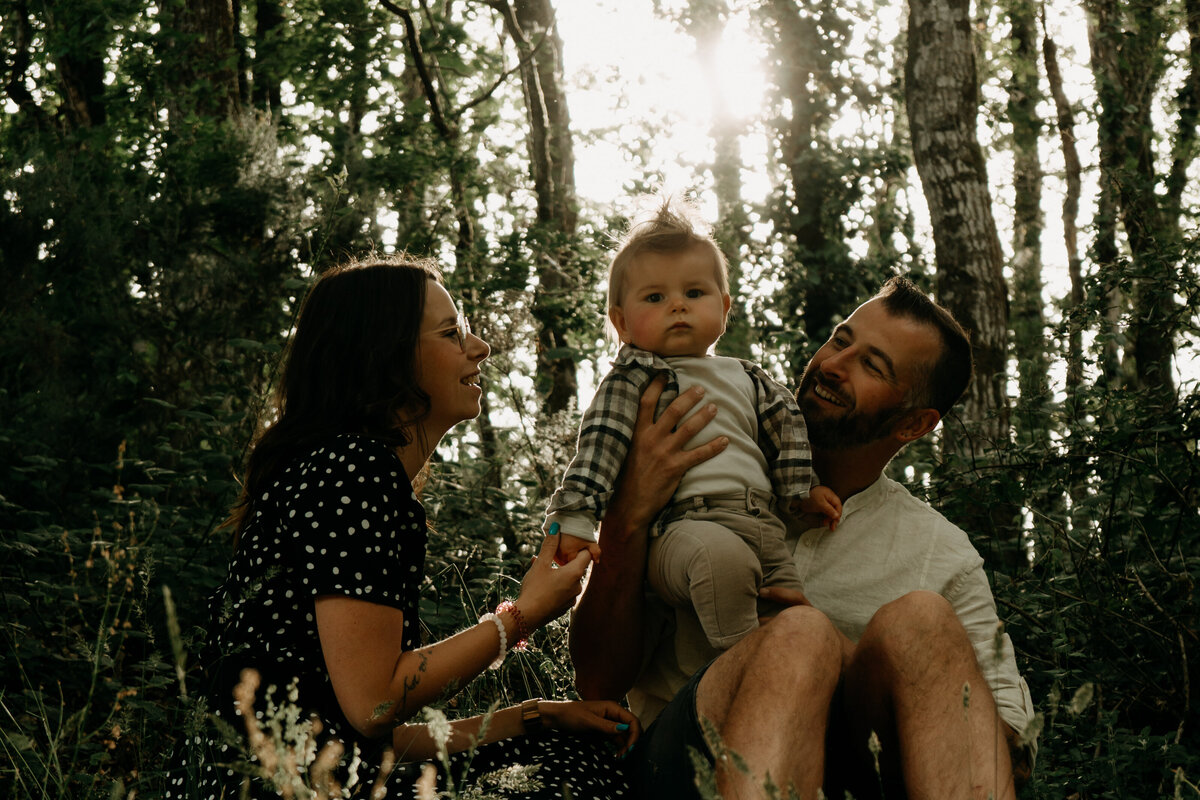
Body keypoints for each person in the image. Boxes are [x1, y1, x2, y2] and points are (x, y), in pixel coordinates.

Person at [166, 256, 639, 800]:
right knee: (583, 779)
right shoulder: (355, 471)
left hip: (290, 775)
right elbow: (374, 707)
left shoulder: (337, 469)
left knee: (568, 748)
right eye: (451, 332)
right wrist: (524, 614)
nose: (479, 347)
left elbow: (366, 738)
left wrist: (537, 717)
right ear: (386, 358)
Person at [570, 277, 1037, 799]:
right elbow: (597, 684)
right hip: (682, 763)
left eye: (872, 365)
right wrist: (627, 517)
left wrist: (857, 659)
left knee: (919, 620)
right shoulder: (689, 470)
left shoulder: (941, 552)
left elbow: (1011, 755)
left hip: (863, 777)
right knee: (802, 636)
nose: (834, 364)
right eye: (841, 339)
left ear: (914, 425)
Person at [544, 199, 840, 652]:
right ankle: (743, 662)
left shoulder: (749, 376)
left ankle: (784, 674)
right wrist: (576, 515)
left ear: (724, 309)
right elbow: (600, 445)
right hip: (683, 527)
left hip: (762, 523)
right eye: (655, 297)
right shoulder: (636, 379)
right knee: (721, 563)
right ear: (621, 322)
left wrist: (802, 490)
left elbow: (788, 430)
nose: (678, 305)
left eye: (694, 294)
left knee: (790, 612)